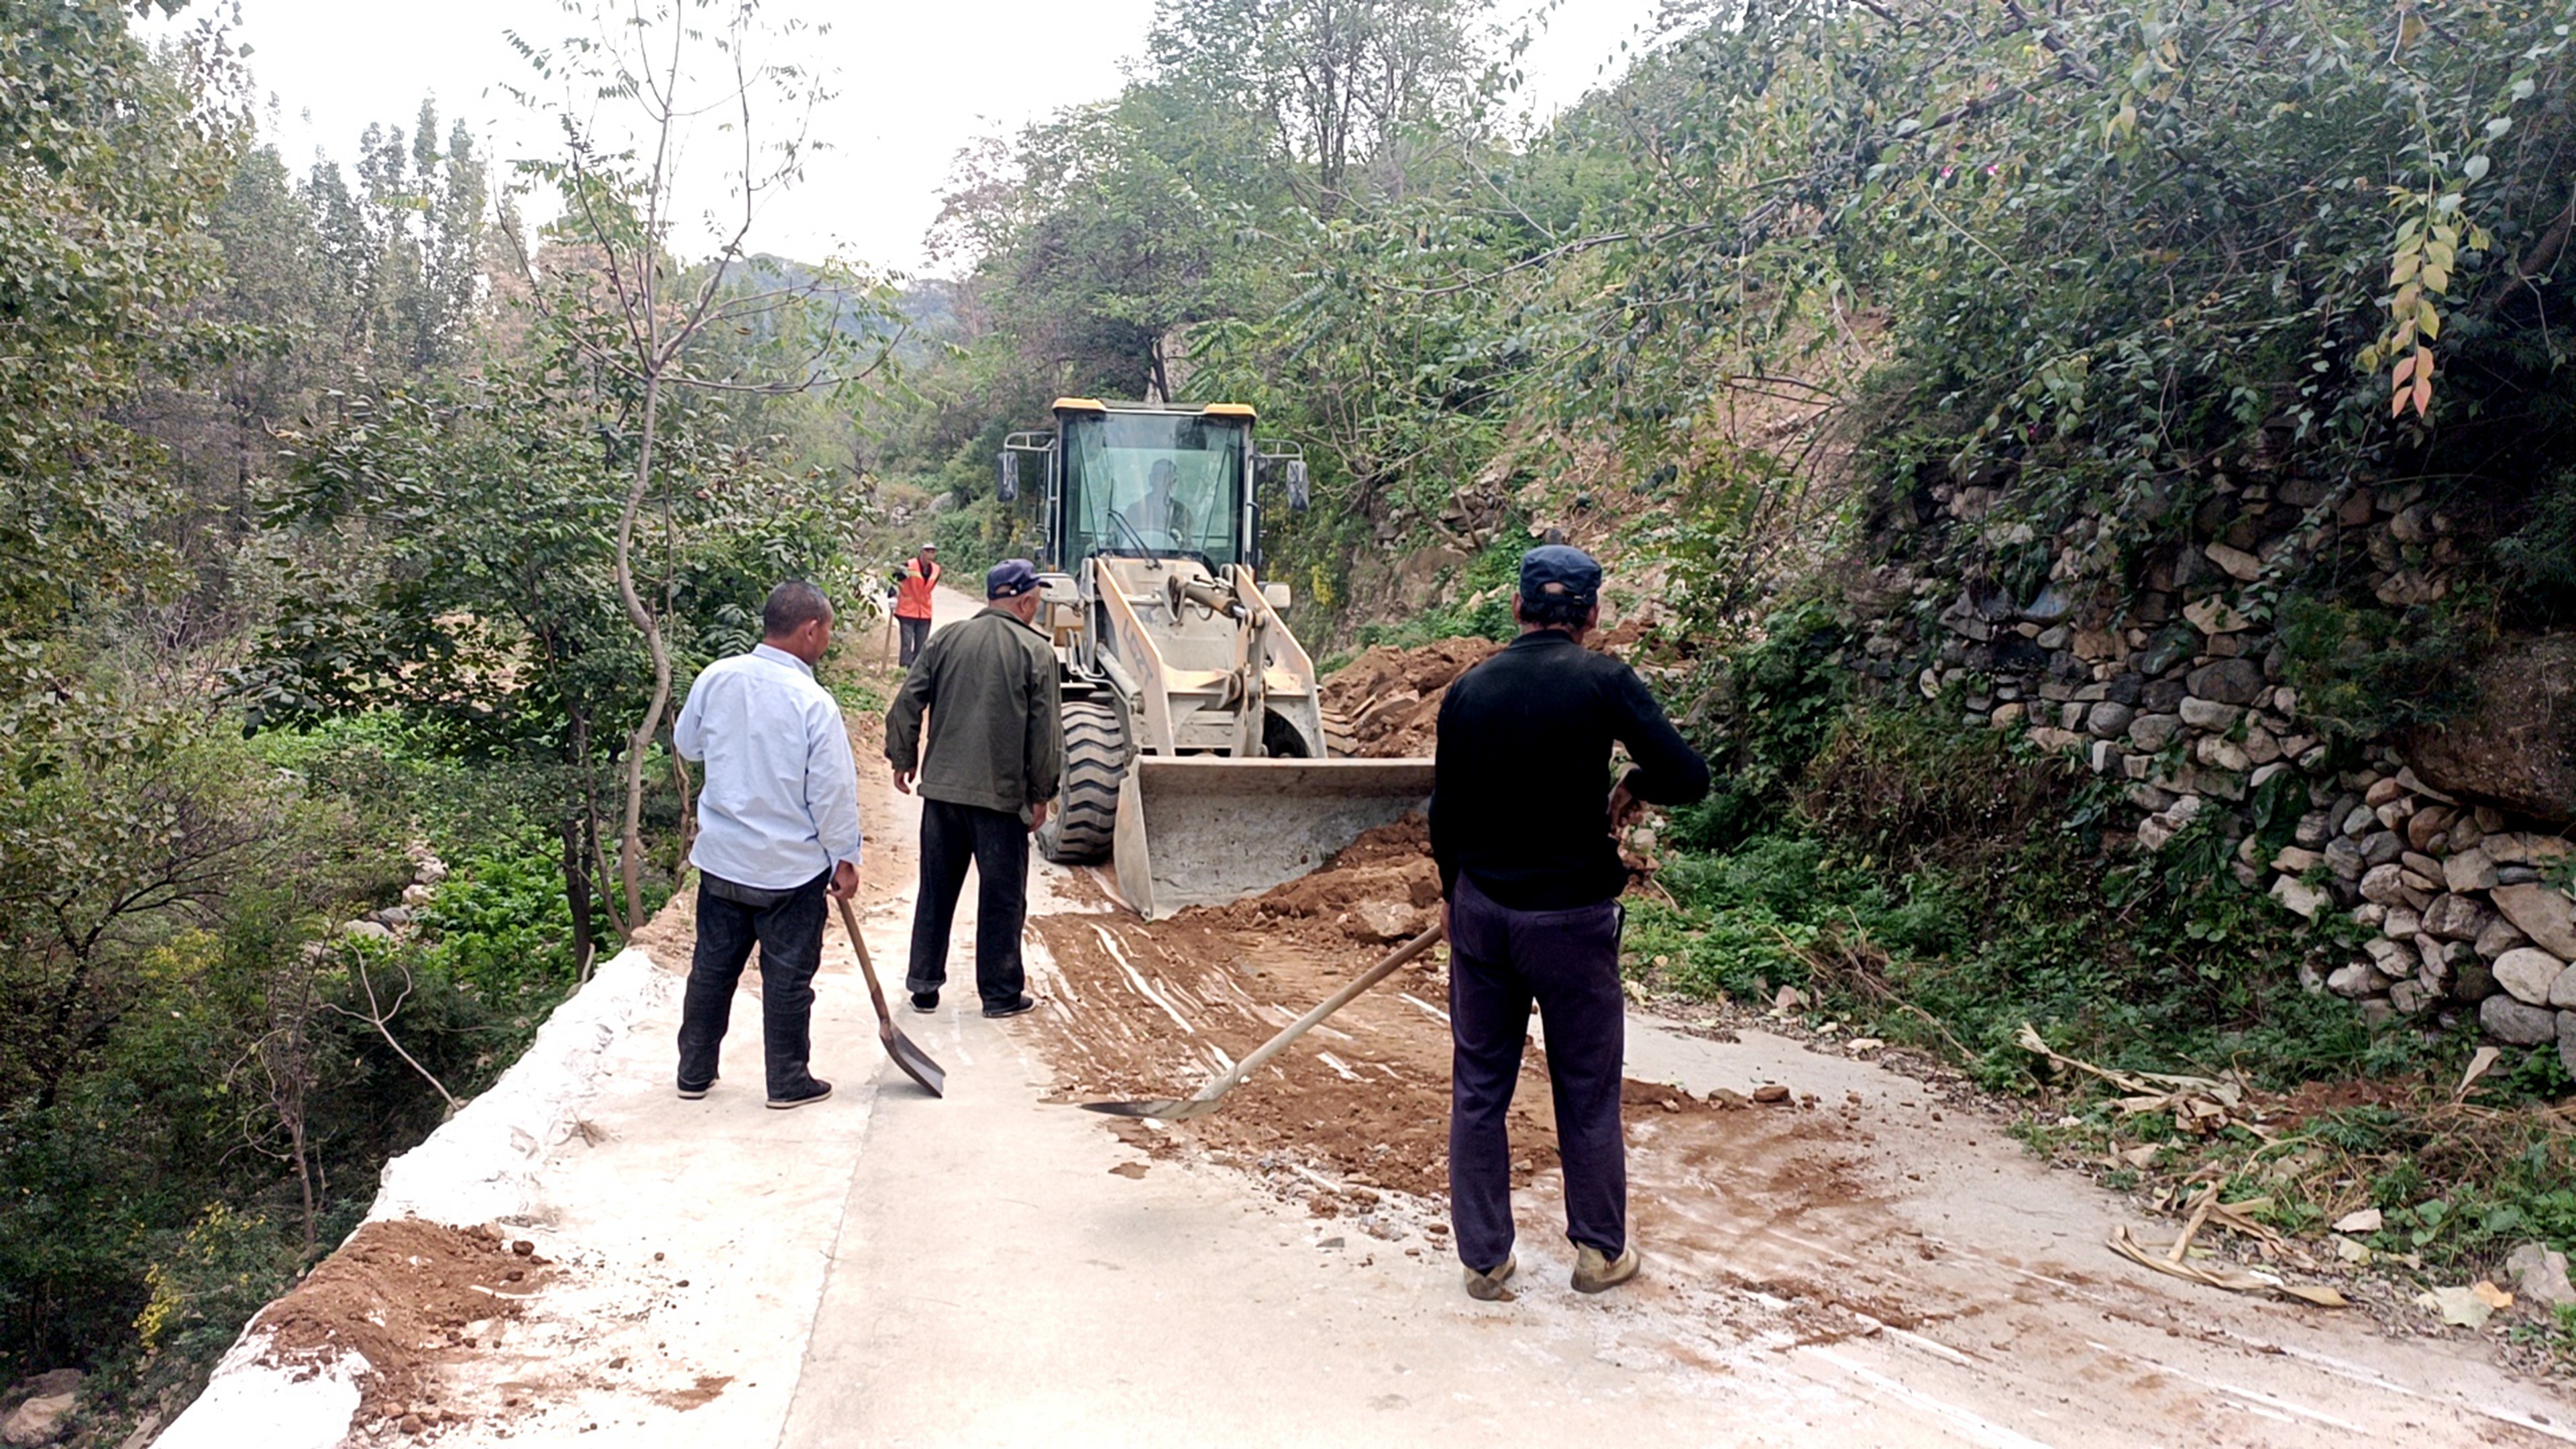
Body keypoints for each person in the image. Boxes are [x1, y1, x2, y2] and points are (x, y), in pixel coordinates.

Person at [1428, 544, 1710, 1299]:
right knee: (1585, 1085)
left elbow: (1444, 812)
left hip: (1484, 912)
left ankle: (1484, 1261)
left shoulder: (1469, 690)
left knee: (1480, 1087)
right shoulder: (1605, 682)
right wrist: (1636, 780)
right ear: (1591, 614)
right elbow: (1691, 777)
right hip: (1573, 921)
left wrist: (1455, 894)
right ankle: (1598, 1254)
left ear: (1518, 608)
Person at [672, 580, 863, 1111]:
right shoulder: (813, 703)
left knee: (712, 969)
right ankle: (787, 1081)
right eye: (826, 630)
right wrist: (845, 857)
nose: (826, 639)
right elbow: (831, 793)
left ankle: (694, 1073)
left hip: (723, 862)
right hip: (789, 872)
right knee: (787, 979)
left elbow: (687, 745)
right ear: (810, 630)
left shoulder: (717, 677)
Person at [885, 559, 1062, 1019]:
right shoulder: (1035, 651)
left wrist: (903, 758)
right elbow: (1046, 735)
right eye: (1036, 602)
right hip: (999, 800)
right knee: (1002, 897)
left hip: (942, 794)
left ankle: (924, 986)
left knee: (937, 889)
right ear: (1025, 601)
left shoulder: (945, 638)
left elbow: (907, 701)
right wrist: (1042, 792)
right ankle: (1000, 995)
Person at [892, 542, 941, 666]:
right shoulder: (908, 566)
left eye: (933, 552)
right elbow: (894, 580)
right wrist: (892, 596)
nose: (930, 555)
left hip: (924, 611)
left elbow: (931, 586)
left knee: (922, 643)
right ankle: (905, 667)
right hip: (907, 609)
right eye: (928, 551)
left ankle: (917, 668)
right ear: (921, 552)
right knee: (907, 642)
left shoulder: (936, 570)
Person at [1132, 459, 1191, 542]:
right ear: (1151, 479)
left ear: (1174, 481)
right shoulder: (1134, 510)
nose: (1162, 481)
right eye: (1158, 476)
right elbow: (1122, 543)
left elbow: (1187, 547)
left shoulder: (1181, 513)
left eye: (1167, 477)